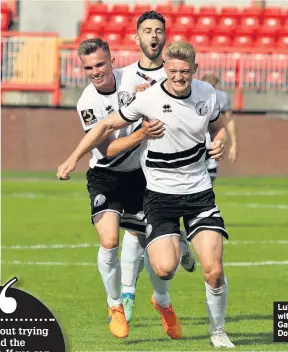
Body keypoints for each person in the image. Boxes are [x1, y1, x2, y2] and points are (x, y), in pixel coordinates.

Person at [57, 41, 234, 348]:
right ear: (166, 70)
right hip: (116, 178)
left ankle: (211, 328)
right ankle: (118, 303)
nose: (178, 77)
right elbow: (105, 138)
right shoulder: (128, 99)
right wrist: (73, 157)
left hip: (187, 189)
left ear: (195, 70)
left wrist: (220, 141)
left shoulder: (202, 92)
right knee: (122, 245)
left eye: (184, 71)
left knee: (211, 270)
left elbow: (219, 126)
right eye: (89, 67)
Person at [116, 10, 196, 334]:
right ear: (137, 38)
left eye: (158, 31)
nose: (153, 36)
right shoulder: (122, 77)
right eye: (147, 30)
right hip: (136, 169)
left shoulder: (177, 75)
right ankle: (129, 295)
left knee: (164, 239)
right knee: (136, 231)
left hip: (176, 170)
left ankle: (182, 248)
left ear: (165, 37)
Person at [201, 73, 237, 184]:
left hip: (212, 140)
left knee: (210, 173)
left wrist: (234, 144)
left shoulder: (222, 97)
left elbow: (229, 119)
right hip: (196, 140)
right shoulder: (193, 95)